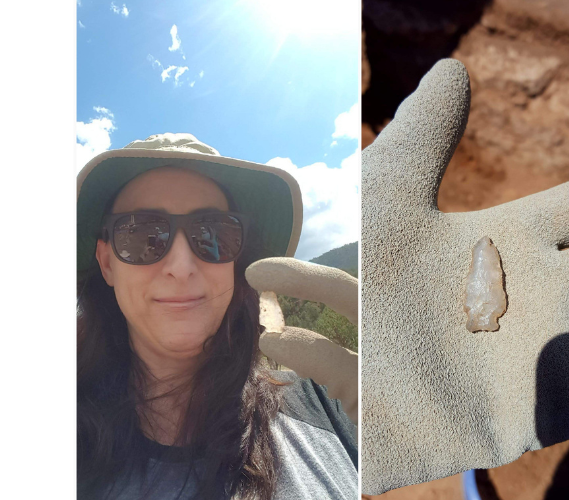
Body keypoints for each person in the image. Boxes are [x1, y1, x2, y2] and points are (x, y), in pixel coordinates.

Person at [76, 133, 358, 500]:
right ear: (107, 263)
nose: (180, 266)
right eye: (141, 234)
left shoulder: (334, 407)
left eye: (214, 234)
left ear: (236, 263)